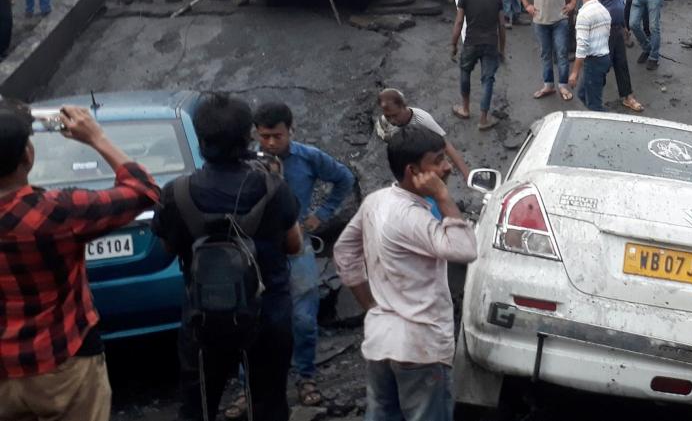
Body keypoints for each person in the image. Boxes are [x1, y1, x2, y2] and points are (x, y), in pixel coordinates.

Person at [0, 104, 159, 421]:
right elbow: (145, 191)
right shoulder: (55, 212)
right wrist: (97, 138)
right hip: (62, 364)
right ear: (28, 157)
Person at [152, 94, 302, 421]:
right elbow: (295, 246)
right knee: (270, 404)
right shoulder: (273, 187)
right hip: (268, 313)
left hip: (203, 317)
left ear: (201, 139)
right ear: (247, 137)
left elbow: (167, 248)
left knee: (198, 406)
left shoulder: (176, 192)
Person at [333, 126, 477, 421]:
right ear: (413, 170)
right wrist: (443, 198)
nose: (447, 166)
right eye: (438, 161)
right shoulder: (412, 217)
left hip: (380, 341)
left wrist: (371, 306)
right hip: (419, 349)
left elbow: (344, 252)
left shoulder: (377, 200)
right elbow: (464, 249)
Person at [252, 102, 355, 409]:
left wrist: (321, 215)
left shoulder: (308, 158)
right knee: (255, 319)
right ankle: (252, 385)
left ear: (290, 131)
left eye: (277, 136)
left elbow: (344, 179)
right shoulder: (247, 163)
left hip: (298, 248)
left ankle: (305, 377)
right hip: (256, 251)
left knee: (303, 319)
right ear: (255, 133)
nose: (270, 143)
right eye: (264, 136)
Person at [517, 0, 580, 101]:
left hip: (560, 20)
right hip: (540, 21)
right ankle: (548, 85)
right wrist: (526, 5)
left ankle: (563, 85)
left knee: (561, 53)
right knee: (545, 54)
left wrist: (572, 3)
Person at [451, 0, 506, 130]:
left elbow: (459, 22)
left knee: (465, 71)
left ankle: (465, 108)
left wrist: (453, 44)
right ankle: (483, 119)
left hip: (471, 42)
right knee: (487, 79)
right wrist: (502, 50)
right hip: (490, 43)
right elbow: (501, 26)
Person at [597, 0, 645, 112]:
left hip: (617, 30)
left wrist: (624, 27)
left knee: (621, 64)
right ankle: (593, 98)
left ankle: (627, 96)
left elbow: (618, 6)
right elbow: (594, 10)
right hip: (605, 32)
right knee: (603, 66)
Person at [568, 0, 613, 111]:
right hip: (603, 59)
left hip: (594, 62)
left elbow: (582, 47)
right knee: (583, 94)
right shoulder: (604, 11)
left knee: (594, 105)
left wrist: (575, 73)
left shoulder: (584, 15)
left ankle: (603, 123)